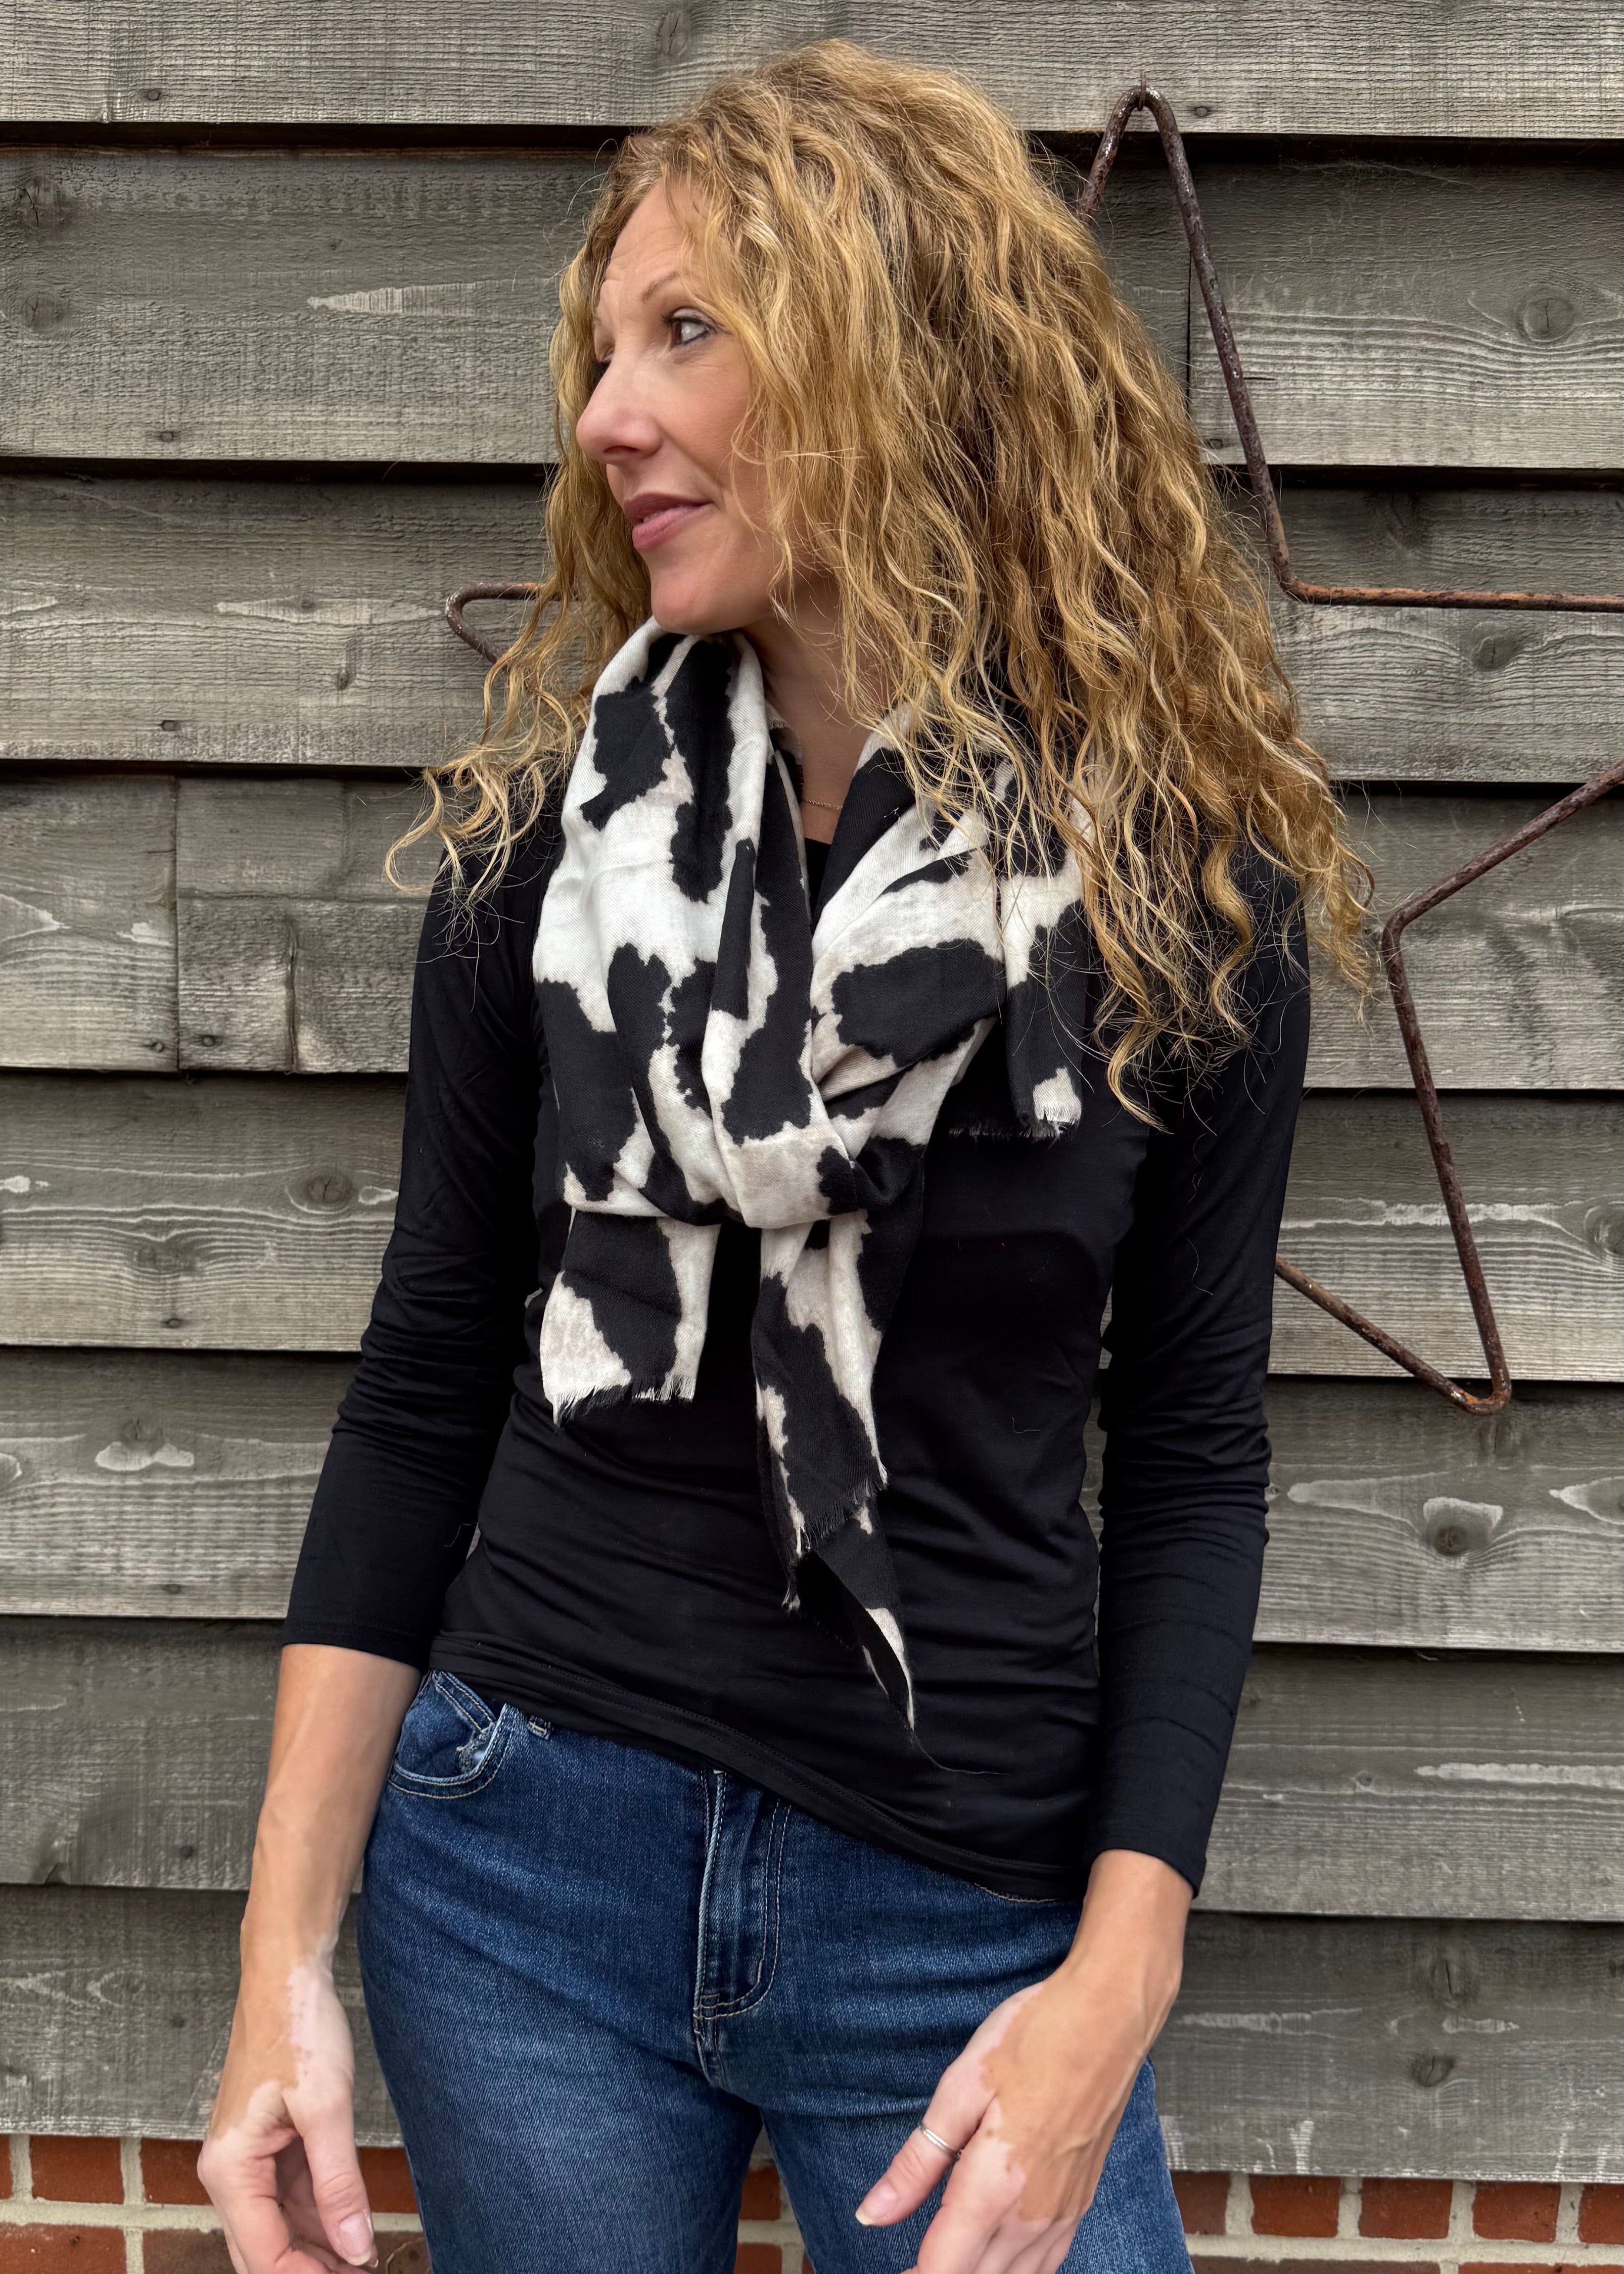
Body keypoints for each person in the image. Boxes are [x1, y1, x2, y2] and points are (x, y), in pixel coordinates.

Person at [199, 37, 1369, 2274]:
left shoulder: (1172, 902)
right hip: (523, 1870)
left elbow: (1196, 1454)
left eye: (686, 333)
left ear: (898, 356)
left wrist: (1115, 1988)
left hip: (967, 1912)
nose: (607, 414)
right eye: (603, 351)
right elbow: (425, 1376)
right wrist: (283, 1962)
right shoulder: (544, 871)